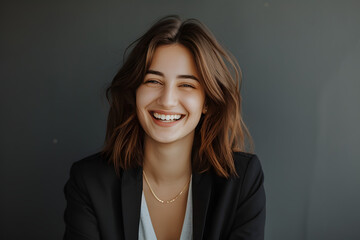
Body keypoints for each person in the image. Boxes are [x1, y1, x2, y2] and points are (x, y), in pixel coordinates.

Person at [63, 15, 265, 240]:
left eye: (186, 85)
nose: (167, 100)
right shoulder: (89, 181)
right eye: (153, 81)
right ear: (134, 92)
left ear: (207, 101)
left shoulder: (241, 181)